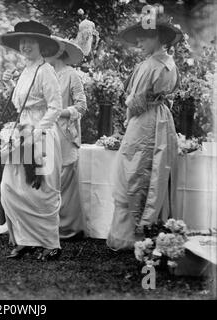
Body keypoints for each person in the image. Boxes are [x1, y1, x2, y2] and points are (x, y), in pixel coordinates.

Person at [106, 17, 182, 250]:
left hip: (145, 119)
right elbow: (170, 94)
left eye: (144, 37)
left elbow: (136, 101)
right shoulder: (170, 63)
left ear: (157, 38)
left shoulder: (149, 65)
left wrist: (128, 117)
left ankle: (131, 236)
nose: (139, 41)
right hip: (162, 119)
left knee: (135, 168)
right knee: (156, 170)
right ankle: (153, 228)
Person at [0, 20, 63, 261]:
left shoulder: (46, 71)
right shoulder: (25, 70)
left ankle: (50, 243)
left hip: (41, 133)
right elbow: (19, 104)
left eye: (30, 42)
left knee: (41, 190)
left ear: (40, 45)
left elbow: (55, 107)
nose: (25, 46)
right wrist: (8, 84)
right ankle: (25, 240)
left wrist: (37, 133)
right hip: (22, 132)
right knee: (11, 188)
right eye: (22, 42)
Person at [46, 36, 87, 240]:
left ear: (57, 52)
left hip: (65, 132)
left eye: (47, 51)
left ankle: (70, 227)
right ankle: (50, 223)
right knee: (49, 176)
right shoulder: (46, 74)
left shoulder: (72, 75)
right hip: (46, 131)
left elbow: (81, 106)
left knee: (66, 179)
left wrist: (59, 112)